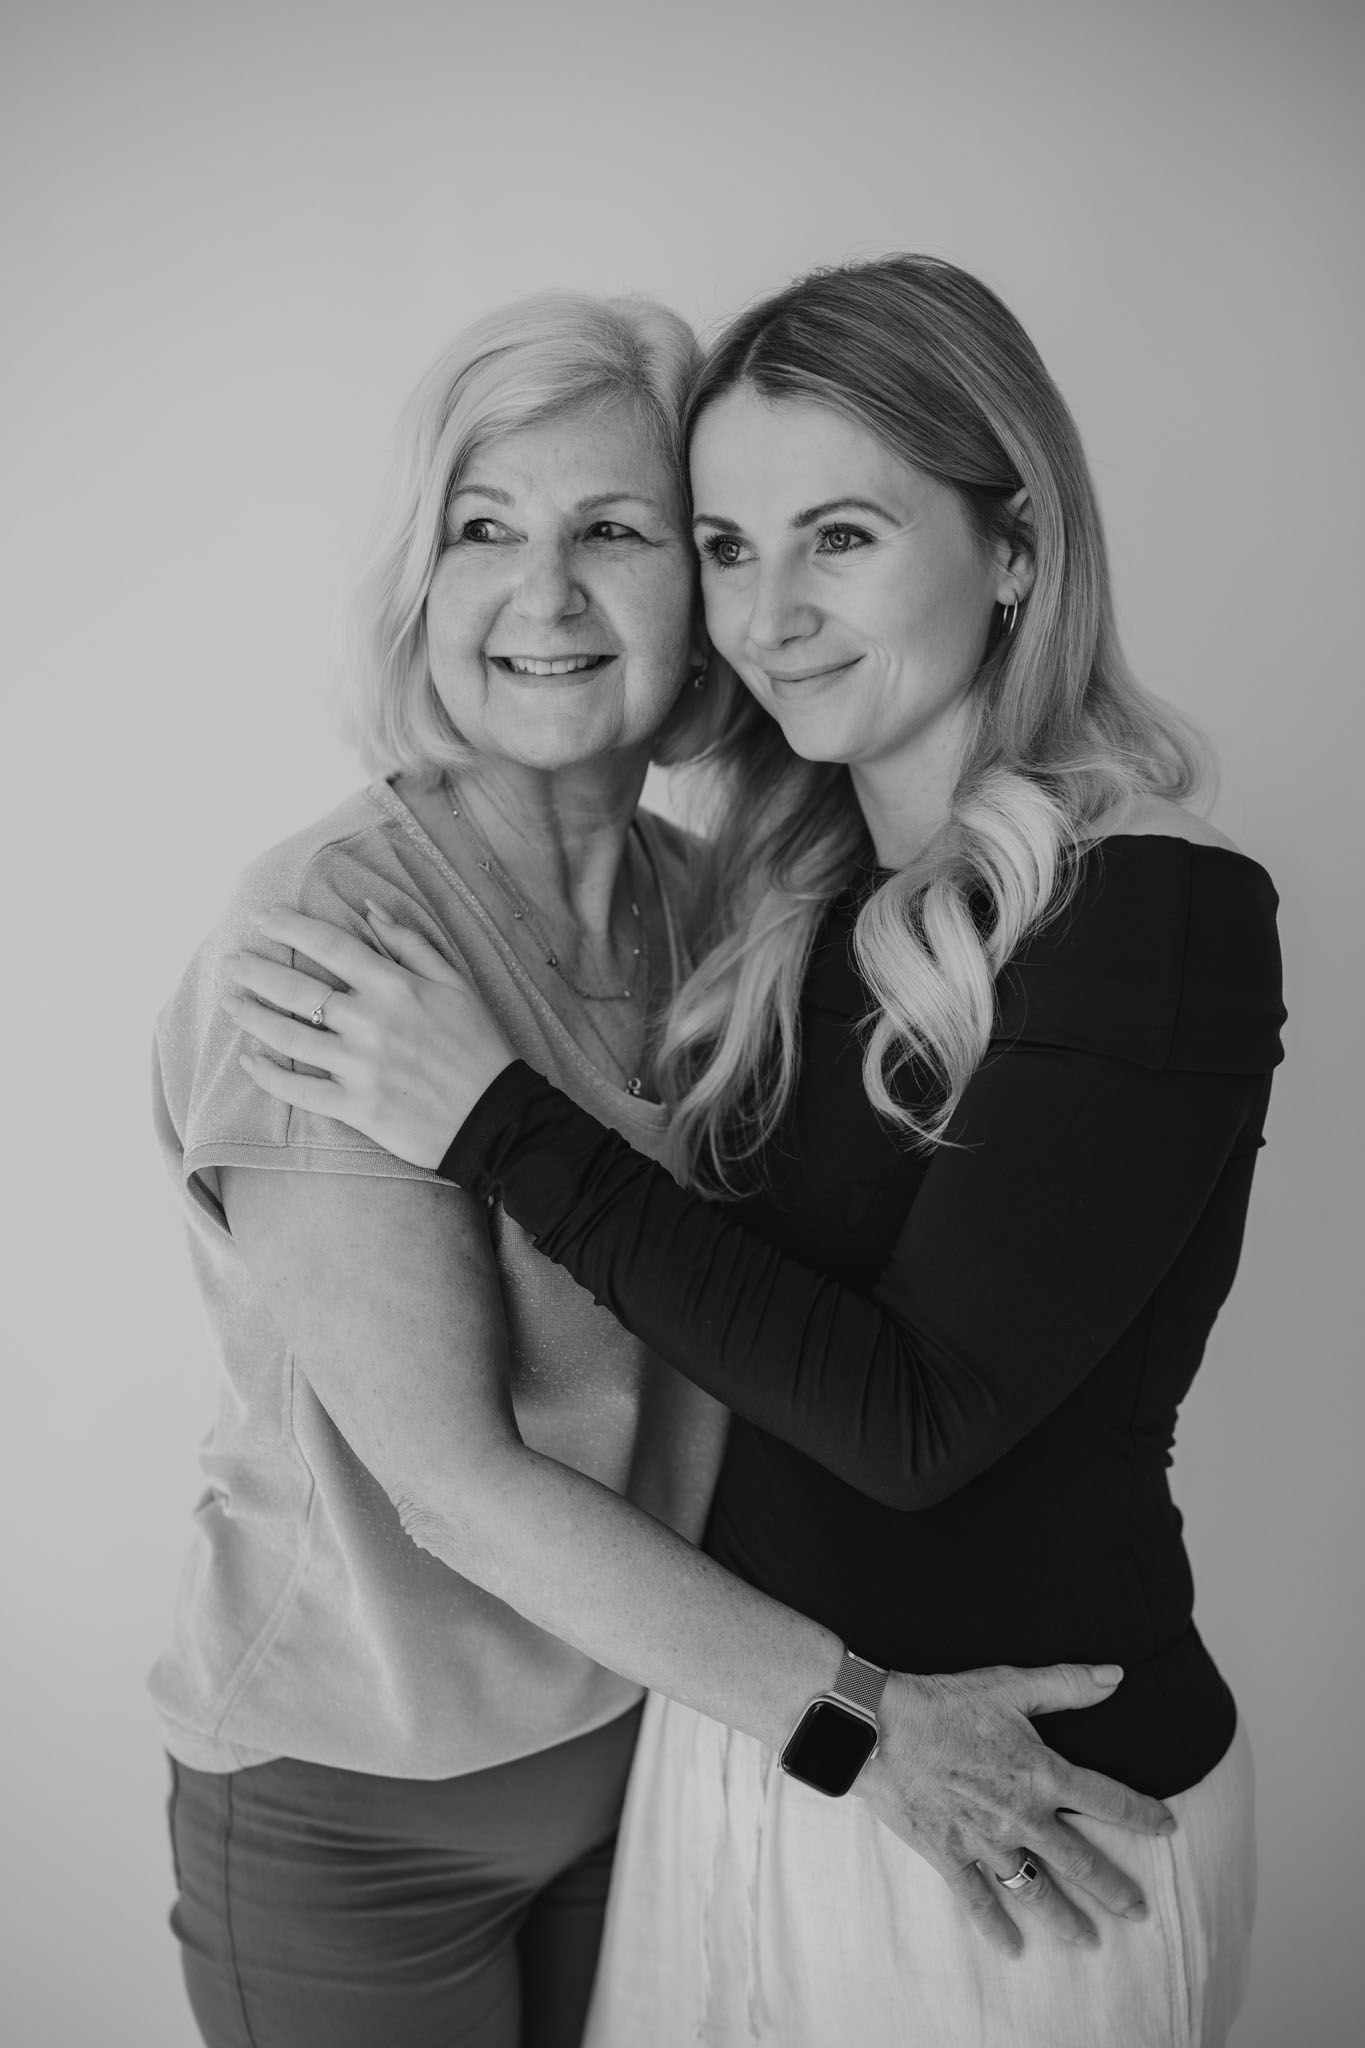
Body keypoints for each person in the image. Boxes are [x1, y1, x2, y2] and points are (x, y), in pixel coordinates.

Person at [230, 255, 1285, 2047]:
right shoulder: (778, 905)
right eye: (726, 546)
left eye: (842, 538)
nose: (772, 613)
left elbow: (914, 1421)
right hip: (754, 1757)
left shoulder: (1148, 910)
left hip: (1023, 1817)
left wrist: (493, 1122)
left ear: (1015, 547)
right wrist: (821, 1723)